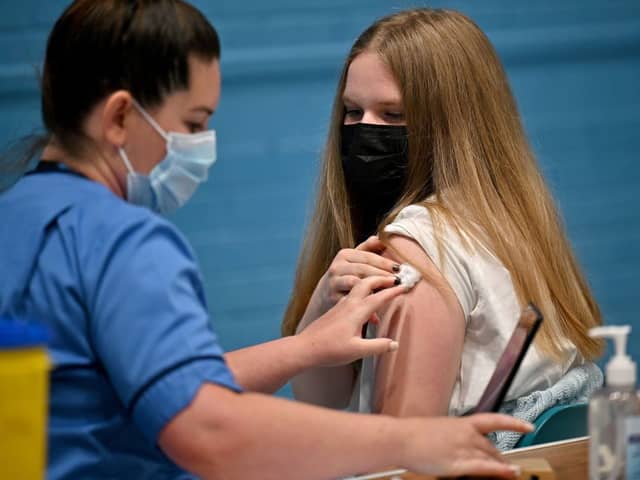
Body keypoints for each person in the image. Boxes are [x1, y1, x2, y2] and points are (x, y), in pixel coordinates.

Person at [0, 1, 533, 478]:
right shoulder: (121, 242)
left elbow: (152, 380)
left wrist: (303, 348)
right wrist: (415, 441)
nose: (199, 146)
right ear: (119, 116)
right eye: (192, 123)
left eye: (392, 115)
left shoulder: (16, 217)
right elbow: (209, 428)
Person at [283, 8, 604, 449]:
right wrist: (321, 307)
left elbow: (397, 461)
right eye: (353, 112)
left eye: (393, 115)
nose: (365, 131)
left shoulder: (419, 243)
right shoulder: (512, 223)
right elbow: (322, 396)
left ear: (456, 124)